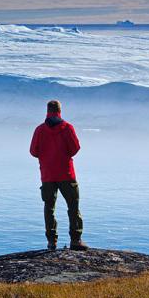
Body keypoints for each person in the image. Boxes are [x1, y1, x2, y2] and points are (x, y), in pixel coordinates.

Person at [30, 100, 88, 251]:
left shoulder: (40, 130)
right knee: (73, 206)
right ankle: (75, 240)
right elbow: (75, 148)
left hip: (47, 174)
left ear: (47, 111)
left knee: (49, 208)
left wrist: (47, 157)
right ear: (60, 111)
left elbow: (33, 151)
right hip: (66, 173)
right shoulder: (67, 128)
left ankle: (51, 242)